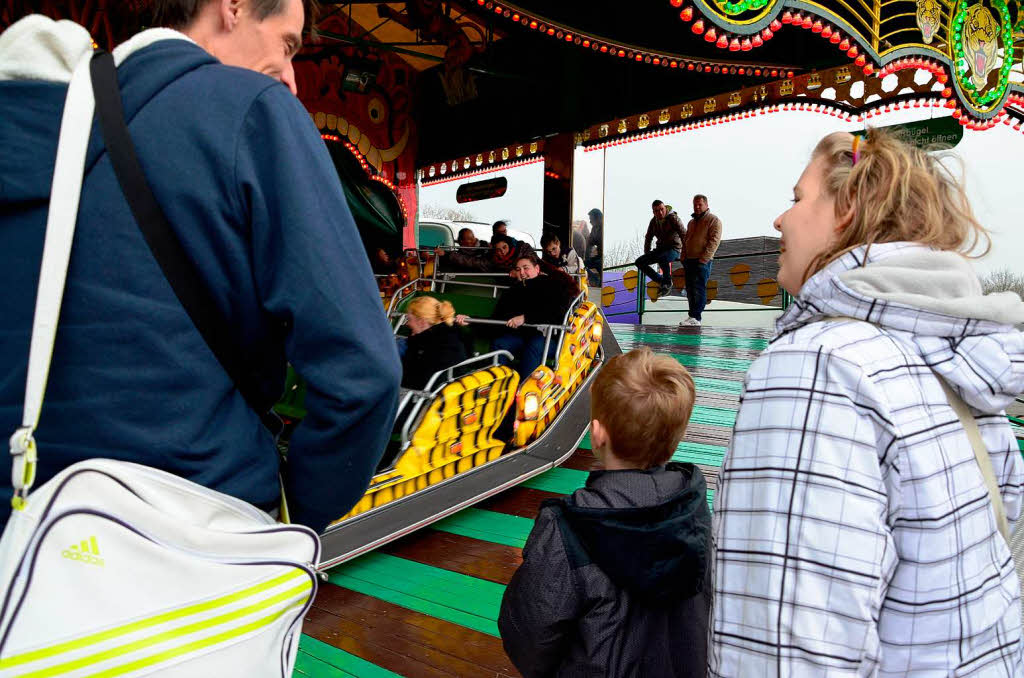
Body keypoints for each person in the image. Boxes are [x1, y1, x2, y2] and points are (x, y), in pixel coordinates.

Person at [0, 0, 401, 534]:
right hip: (195, 526)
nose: (291, 79)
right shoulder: (251, 110)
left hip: (26, 528)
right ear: (232, 6)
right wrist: (295, 507)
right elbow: (364, 375)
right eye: (287, 44)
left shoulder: (26, 122)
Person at [710, 130, 1024, 676]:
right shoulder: (962, 358)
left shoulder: (816, 365)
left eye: (797, 198)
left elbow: (786, 651)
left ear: (848, 206)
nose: (781, 221)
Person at [499, 347, 711, 677]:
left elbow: (529, 632)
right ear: (677, 437)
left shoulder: (569, 527)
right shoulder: (695, 514)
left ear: (597, 434)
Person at [492, 252, 575, 379]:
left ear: (536, 269)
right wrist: (470, 319)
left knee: (534, 346)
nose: (522, 273)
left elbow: (556, 312)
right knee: (499, 344)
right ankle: (500, 385)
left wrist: (526, 318)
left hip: (549, 336)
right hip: (522, 336)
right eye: (518, 270)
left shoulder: (553, 286)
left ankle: (527, 391)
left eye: (526, 268)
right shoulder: (512, 292)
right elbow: (498, 318)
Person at [399, 296, 469, 390]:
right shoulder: (451, 337)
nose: (407, 324)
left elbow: (413, 381)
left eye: (409, 319)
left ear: (422, 322)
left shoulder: (429, 346)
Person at [678, 194, 722, 327]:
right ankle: (691, 316)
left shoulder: (714, 220)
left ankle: (697, 317)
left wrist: (704, 259)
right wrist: (683, 255)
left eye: (700, 204)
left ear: (706, 205)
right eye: (695, 204)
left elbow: (714, 241)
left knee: (699, 289)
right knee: (690, 290)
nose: (697, 207)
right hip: (689, 260)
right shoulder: (691, 223)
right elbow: (686, 240)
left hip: (702, 261)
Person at [635, 199, 686, 297]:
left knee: (663, 258)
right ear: (653, 212)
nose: (660, 212)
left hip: (674, 248)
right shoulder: (653, 221)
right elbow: (648, 237)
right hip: (660, 249)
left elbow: (683, 234)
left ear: (665, 208)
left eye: (662, 209)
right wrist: (647, 254)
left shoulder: (673, 218)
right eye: (656, 211)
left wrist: (685, 252)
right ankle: (661, 281)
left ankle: (667, 283)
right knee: (639, 262)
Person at [436, 234, 528, 273]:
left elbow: (535, 261)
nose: (502, 252)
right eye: (498, 250)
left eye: (504, 247)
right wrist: (446, 254)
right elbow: (470, 261)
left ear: (509, 245)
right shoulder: (492, 261)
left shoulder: (523, 248)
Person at [585, 208, 604, 287]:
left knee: (599, 263)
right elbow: (590, 243)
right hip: (598, 257)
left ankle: (600, 282)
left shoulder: (604, 228)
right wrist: (586, 257)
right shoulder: (594, 229)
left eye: (591, 219)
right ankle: (595, 279)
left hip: (602, 258)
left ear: (598, 218)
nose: (590, 222)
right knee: (583, 264)